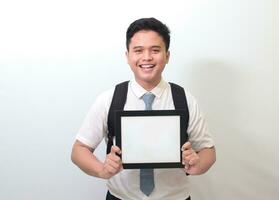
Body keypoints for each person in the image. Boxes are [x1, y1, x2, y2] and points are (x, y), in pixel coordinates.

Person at [71, 17, 216, 200]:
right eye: (138, 50)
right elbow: (79, 149)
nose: (146, 57)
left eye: (155, 50)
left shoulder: (185, 100)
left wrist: (198, 164)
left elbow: (208, 150)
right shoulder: (110, 99)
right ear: (128, 56)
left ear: (167, 56)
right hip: (121, 197)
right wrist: (102, 170)